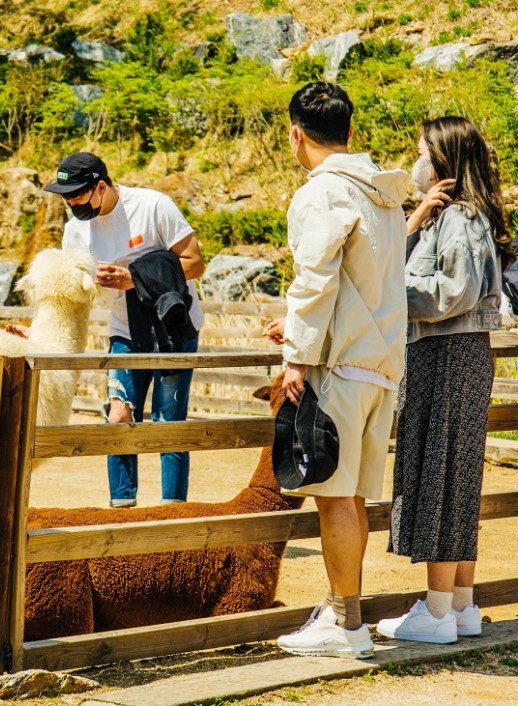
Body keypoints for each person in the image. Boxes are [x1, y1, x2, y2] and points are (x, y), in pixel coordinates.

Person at [263, 82, 410, 660]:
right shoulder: (384, 192)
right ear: (350, 131)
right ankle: (340, 612)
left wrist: (297, 352)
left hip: (341, 366)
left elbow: (316, 277)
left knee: (332, 494)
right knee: (349, 496)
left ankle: (345, 623)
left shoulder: (321, 193)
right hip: (381, 363)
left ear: (296, 133)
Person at [376, 117, 512, 644]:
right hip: (457, 354)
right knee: (455, 478)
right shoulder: (457, 217)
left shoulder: (459, 219)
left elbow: (449, 292)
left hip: (445, 352)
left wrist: (390, 292)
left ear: (444, 160)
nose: (417, 161)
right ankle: (459, 605)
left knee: (441, 474)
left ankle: (436, 612)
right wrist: (413, 222)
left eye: (422, 152)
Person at [45, 152, 204, 508]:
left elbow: (195, 263)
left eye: (76, 195)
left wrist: (133, 278)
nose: (70, 203)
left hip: (173, 328)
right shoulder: (74, 231)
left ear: (100, 187)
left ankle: (171, 516)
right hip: (125, 330)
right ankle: (123, 511)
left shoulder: (152, 206)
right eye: (64, 196)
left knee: (168, 424)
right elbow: (71, 293)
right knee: (117, 418)